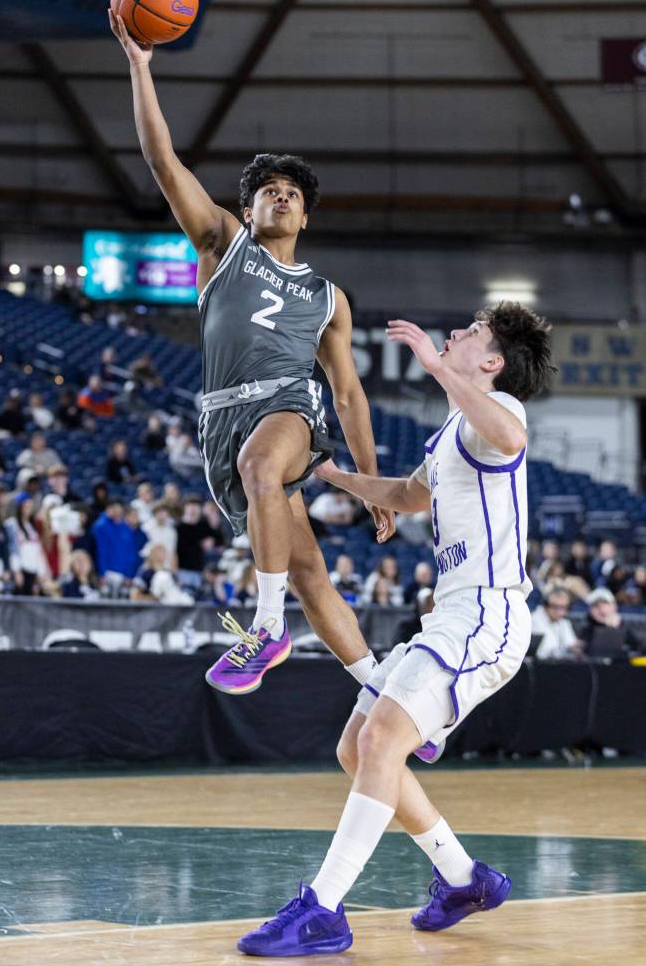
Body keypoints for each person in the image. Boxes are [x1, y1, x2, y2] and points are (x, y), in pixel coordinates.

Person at [237, 303, 555, 956]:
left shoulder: (501, 411)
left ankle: (322, 908)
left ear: (490, 363)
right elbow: (412, 494)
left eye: (473, 333)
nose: (459, 332)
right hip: (452, 617)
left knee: (381, 738)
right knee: (357, 749)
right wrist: (335, 478)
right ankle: (463, 878)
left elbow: (510, 438)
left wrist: (437, 367)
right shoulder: (453, 431)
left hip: (487, 616)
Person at [110, 9, 394, 697]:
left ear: (305, 217)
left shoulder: (327, 295)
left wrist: (372, 481)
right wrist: (140, 68)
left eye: (292, 194)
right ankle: (387, 693)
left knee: (263, 463)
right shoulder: (222, 243)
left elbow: (349, 394)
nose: (281, 196)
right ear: (252, 207)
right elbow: (160, 160)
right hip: (220, 417)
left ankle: (265, 630)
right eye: (269, 190)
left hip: (286, 407)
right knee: (307, 572)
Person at [530, 587, 583, 660]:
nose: (560, 612)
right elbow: (543, 654)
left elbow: (571, 647)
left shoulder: (564, 622)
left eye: (564, 607)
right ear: (546, 605)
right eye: (555, 607)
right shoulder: (534, 620)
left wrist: (575, 648)